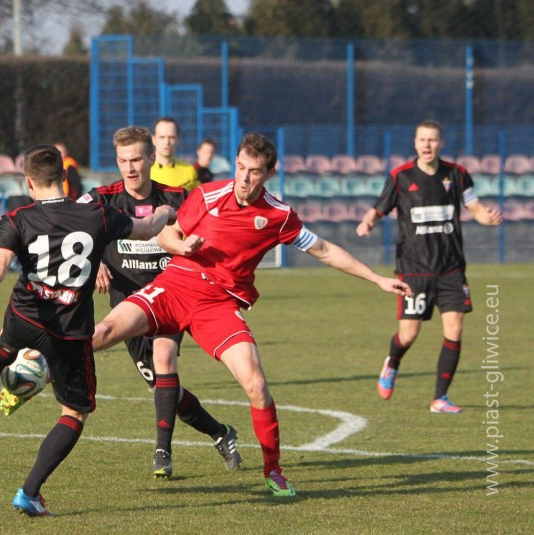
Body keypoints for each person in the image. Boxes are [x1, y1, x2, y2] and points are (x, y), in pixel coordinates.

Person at [92, 132, 412, 497]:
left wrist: (376, 279)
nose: (244, 178)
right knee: (104, 332)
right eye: (241, 167)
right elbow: (167, 236)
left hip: (218, 305)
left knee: (256, 384)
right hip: (176, 286)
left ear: (269, 173)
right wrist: (182, 246)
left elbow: (323, 249)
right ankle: (45, 363)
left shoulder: (278, 215)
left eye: (254, 171)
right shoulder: (208, 195)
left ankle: (273, 470)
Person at [0, 144, 174, 517]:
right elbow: (148, 230)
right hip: (70, 332)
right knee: (74, 413)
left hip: (26, 316)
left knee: (9, 336)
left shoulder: (17, 218)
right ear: (64, 177)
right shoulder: (97, 215)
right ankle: (29, 492)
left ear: (28, 183)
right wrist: (165, 212)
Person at [79, 126, 241, 479]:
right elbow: (73, 228)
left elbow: (211, 232)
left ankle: (162, 453)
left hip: (172, 297)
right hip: (128, 308)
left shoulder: (178, 197)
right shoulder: (102, 198)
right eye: (123, 160)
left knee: (164, 358)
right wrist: (96, 262)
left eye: (136, 159)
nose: (130, 167)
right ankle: (221, 433)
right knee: (163, 388)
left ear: (151, 158)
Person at [356, 119, 503, 413]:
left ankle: (440, 398)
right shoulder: (400, 176)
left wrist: (487, 218)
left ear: (441, 143)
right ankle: (392, 362)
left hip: (451, 268)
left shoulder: (457, 174)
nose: (427, 145)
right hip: (414, 269)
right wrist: (367, 223)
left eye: (432, 139)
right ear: (415, 143)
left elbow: (474, 207)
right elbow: (378, 209)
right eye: (422, 139)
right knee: (409, 334)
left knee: (455, 329)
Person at [150, 117, 200, 191]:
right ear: (153, 139)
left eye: (172, 137)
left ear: (178, 139)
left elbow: (198, 196)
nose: (167, 142)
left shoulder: (189, 171)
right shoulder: (144, 171)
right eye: (162, 137)